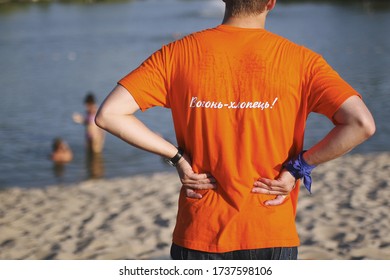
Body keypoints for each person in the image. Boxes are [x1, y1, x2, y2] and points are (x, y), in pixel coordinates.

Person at [95, 0, 375, 260]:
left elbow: (110, 114)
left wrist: (177, 158)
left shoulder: (176, 54)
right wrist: (298, 167)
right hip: (271, 228)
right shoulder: (303, 61)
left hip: (199, 232)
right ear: (271, 2)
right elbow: (360, 124)